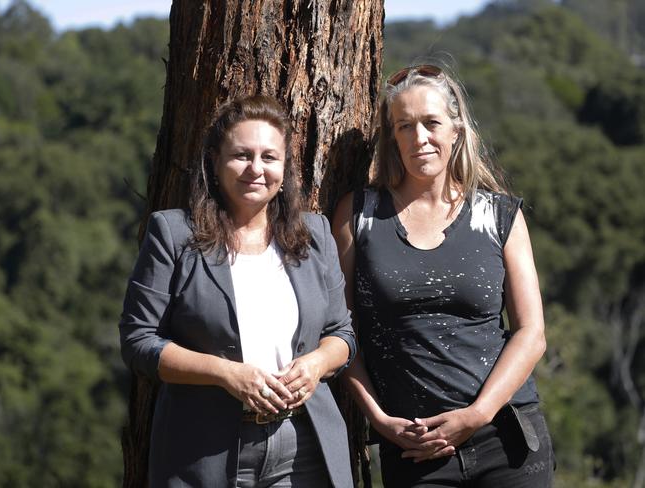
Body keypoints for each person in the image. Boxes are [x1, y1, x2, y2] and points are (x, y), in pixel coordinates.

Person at [332, 65, 554, 487]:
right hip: (414, 448)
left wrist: (476, 414)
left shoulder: (499, 215)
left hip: (505, 440)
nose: (420, 138)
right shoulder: (358, 215)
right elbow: (339, 332)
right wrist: (379, 420)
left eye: (431, 123)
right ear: (392, 137)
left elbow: (532, 333)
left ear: (456, 129)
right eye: (405, 126)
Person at [119, 94, 355, 487]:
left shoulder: (315, 235)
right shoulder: (173, 235)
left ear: (285, 167)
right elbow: (138, 341)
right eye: (242, 155)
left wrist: (315, 365)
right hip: (206, 452)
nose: (256, 169)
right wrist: (226, 374)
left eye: (269, 157)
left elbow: (342, 334)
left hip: (305, 449)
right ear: (214, 162)